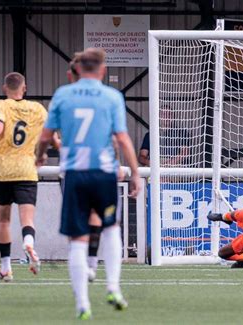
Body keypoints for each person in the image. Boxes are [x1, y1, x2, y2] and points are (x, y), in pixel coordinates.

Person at [36, 48, 141, 320]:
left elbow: (46, 135)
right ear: (103, 70)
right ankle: (113, 287)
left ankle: (83, 304)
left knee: (78, 239)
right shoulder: (112, 97)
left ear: (77, 69)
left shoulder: (63, 95)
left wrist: (40, 156)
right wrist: (135, 173)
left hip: (75, 174)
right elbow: (122, 138)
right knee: (110, 229)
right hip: (103, 174)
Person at [0, 72, 46, 281]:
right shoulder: (37, 109)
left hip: (3, 170)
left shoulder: (1, 105)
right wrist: (42, 155)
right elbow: (49, 137)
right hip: (27, 170)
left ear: (5, 88)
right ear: (24, 88)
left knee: (4, 221)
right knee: (27, 219)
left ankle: (5, 268)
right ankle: (29, 242)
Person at [64, 54, 125, 283]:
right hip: (101, 170)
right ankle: (94, 267)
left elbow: (55, 137)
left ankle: (86, 266)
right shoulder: (106, 98)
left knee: (80, 222)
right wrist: (117, 163)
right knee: (98, 218)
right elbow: (116, 138)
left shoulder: (66, 99)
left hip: (76, 170)